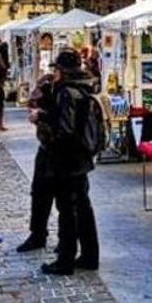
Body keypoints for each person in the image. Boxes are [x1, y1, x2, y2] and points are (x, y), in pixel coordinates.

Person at [35, 50, 100, 275]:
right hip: (82, 157)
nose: (55, 73)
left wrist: (43, 124)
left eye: (57, 70)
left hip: (67, 159)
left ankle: (65, 261)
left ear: (62, 71)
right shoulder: (84, 87)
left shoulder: (67, 93)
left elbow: (64, 130)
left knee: (68, 210)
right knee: (83, 207)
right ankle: (90, 256)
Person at [16, 74, 56, 253]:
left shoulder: (59, 90)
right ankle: (39, 234)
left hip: (55, 149)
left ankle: (44, 236)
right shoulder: (58, 88)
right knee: (40, 193)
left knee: (52, 196)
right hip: (48, 147)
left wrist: (39, 115)